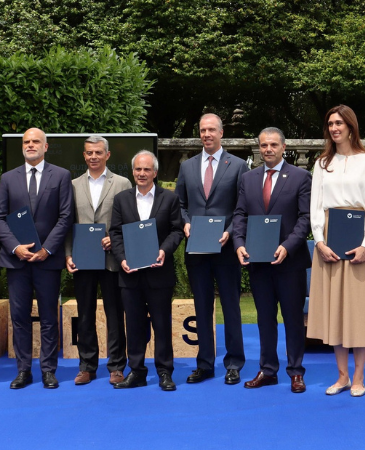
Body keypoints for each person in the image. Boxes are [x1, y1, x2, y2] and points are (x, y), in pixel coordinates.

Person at [308, 104, 365, 397]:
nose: (334, 128)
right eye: (330, 123)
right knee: (335, 309)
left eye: (339, 122)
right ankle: (341, 376)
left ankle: (358, 377)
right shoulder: (321, 164)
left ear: (351, 126)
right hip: (329, 239)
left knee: (359, 310)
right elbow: (316, 206)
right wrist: (319, 241)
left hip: (360, 239)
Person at [0, 127, 74, 389]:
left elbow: (65, 217)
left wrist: (46, 249)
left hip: (47, 261)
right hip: (16, 261)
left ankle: (49, 370)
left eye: (35, 141)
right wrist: (16, 247)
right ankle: (23, 370)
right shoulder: (7, 178)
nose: (30, 145)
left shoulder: (61, 176)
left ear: (45, 146)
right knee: (19, 317)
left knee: (49, 317)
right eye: (26, 142)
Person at [233, 127, 312, 393]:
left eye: (273, 145)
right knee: (264, 318)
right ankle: (268, 370)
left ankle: (296, 372)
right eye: (264, 145)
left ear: (283, 146)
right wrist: (239, 244)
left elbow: (305, 218)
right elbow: (240, 215)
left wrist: (288, 246)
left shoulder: (301, 176)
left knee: (292, 318)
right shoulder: (248, 179)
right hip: (258, 262)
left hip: (290, 262)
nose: (268, 149)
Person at [175, 113, 250, 385]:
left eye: (211, 130)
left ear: (221, 133)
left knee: (230, 305)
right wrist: (184, 224)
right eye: (202, 130)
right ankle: (204, 364)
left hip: (226, 247)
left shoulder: (239, 165)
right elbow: (180, 204)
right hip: (196, 247)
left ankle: (234, 363)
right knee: (202, 306)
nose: (206, 134)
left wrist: (231, 231)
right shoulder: (187, 167)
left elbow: (242, 206)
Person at [109, 151, 185, 391]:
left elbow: (177, 231)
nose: (142, 174)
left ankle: (164, 372)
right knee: (134, 325)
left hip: (159, 274)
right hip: (129, 274)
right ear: (133, 172)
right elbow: (115, 233)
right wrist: (121, 259)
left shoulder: (169, 199)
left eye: (147, 169)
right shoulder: (121, 199)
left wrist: (164, 250)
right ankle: (137, 371)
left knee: (162, 325)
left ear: (155, 172)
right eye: (138, 169)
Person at [64, 135, 133, 386]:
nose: (93, 156)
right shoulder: (72, 185)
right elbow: (67, 224)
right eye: (89, 153)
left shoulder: (123, 183)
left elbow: (131, 220)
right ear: (84, 156)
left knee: (115, 314)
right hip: (82, 260)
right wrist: (68, 254)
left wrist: (116, 241)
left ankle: (116, 366)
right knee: (85, 315)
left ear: (107, 155)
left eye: (98, 152)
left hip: (112, 260)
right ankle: (87, 366)